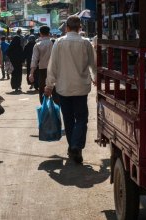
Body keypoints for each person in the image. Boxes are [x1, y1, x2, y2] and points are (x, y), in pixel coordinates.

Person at [44, 16, 97, 164]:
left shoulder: (59, 43)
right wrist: (96, 78)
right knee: (81, 119)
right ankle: (76, 148)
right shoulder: (86, 43)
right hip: (81, 88)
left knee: (68, 119)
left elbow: (52, 66)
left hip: (63, 88)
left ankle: (73, 147)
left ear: (66, 28)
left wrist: (49, 86)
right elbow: (94, 64)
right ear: (79, 28)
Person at [29, 25, 59, 105]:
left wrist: (31, 73)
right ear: (49, 33)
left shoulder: (38, 45)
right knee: (55, 90)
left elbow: (34, 59)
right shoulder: (56, 43)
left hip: (42, 70)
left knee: (42, 90)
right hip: (55, 70)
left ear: (40, 33)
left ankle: (44, 109)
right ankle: (56, 110)